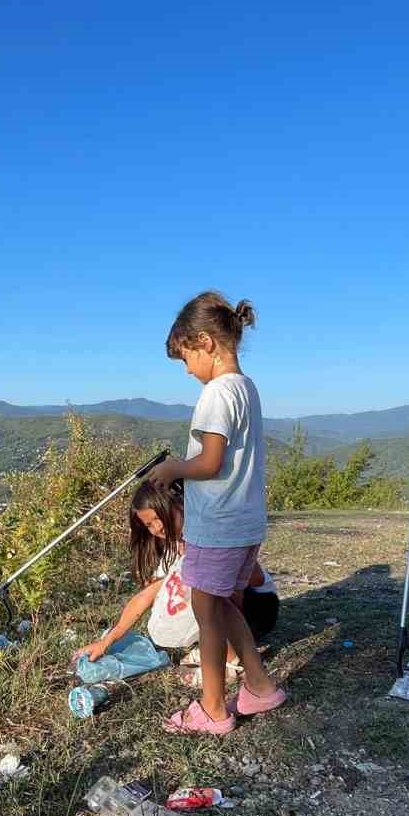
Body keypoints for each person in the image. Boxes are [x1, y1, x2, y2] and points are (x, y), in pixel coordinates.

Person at [147, 291, 288, 735]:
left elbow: (209, 463)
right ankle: (260, 687)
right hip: (245, 522)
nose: (188, 370)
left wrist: (171, 469)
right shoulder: (247, 388)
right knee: (222, 604)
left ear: (205, 342)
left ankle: (212, 708)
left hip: (219, 525)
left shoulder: (216, 393)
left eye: (186, 357)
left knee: (205, 610)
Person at [70, 478, 278, 670]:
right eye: (149, 524)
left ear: (180, 504)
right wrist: (107, 641)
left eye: (159, 517)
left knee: (207, 587)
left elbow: (252, 578)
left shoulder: (211, 535)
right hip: (225, 608)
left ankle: (231, 658)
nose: (157, 527)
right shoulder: (174, 545)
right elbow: (147, 595)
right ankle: (214, 645)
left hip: (258, 607)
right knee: (185, 591)